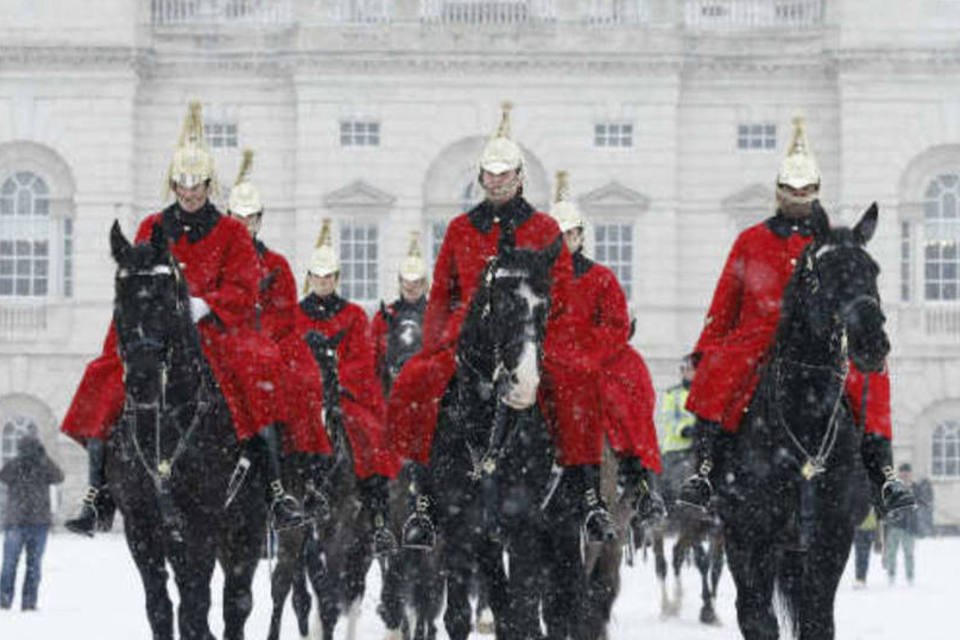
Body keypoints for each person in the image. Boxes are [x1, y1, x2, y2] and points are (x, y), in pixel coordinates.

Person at [61, 102, 304, 535]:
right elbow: (136, 275)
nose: (189, 193)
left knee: (256, 372)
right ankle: (97, 491)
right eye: (182, 184)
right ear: (172, 184)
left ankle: (274, 489)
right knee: (104, 374)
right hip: (156, 329)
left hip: (213, 329)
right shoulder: (153, 224)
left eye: (197, 185)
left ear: (210, 185)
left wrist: (205, 304)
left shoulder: (231, 232)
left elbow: (245, 289)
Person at [387, 102, 608, 545]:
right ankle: (423, 500)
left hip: (534, 335)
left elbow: (560, 290)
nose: (496, 181)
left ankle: (589, 497)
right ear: (480, 178)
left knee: (578, 381)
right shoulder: (460, 228)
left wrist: (544, 339)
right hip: (469, 339)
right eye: (489, 174)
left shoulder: (545, 228)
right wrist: (436, 342)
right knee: (418, 380)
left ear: (520, 176)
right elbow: (444, 294)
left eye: (504, 174)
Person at [678, 116, 916, 519]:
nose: (799, 197)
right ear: (778, 192)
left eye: (807, 191)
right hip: (757, 336)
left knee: (869, 378)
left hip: (820, 339)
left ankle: (884, 474)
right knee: (722, 374)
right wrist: (707, 349)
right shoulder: (751, 239)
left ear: (818, 192)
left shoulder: (830, 243)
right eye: (791, 190)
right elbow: (725, 302)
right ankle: (704, 470)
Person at [549, 170, 664, 527]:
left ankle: (640, 478)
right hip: (548, 358)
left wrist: (585, 355)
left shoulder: (601, 278)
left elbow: (615, 324)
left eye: (570, 234)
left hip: (595, 359)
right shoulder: (537, 279)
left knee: (629, 387)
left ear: (580, 236)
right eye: (557, 235)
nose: (564, 240)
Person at [226, 148, 333, 523]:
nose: (243, 225)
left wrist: (256, 335)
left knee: (302, 380)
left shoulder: (276, 264)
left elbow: (284, 313)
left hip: (267, 344)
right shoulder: (216, 260)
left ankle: (289, 484)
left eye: (250, 218)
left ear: (259, 220)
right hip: (224, 343)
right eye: (237, 218)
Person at [293, 219, 402, 557]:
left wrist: (335, 375)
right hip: (306, 397)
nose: (323, 283)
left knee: (369, 434)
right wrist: (309, 379)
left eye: (328, 278)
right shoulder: (296, 315)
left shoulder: (354, 315)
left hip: (343, 395)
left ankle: (378, 512)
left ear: (337, 279)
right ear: (309, 278)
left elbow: (363, 358)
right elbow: (290, 356)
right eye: (317, 277)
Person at [370, 233, 433, 548]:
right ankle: (380, 524)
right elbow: (372, 365)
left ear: (425, 282)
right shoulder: (385, 318)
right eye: (406, 282)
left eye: (417, 281)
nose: (411, 287)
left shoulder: (436, 317)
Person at [0, 435, 64, 611]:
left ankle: (4, 601)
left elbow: (3, 476)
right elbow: (59, 476)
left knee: (10, 564)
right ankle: (28, 603)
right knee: (32, 567)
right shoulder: (41, 465)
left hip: (17, 521)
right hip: (37, 522)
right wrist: (44, 457)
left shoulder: (14, 465)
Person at [655, 356, 697, 508]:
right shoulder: (673, 394)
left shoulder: (704, 393)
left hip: (694, 448)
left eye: (689, 368)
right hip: (675, 449)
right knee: (671, 486)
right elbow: (668, 419)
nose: (685, 372)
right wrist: (683, 430)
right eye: (683, 369)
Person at [883, 463, 918, 585]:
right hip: (895, 525)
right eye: (902, 473)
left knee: (909, 553)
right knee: (891, 552)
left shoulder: (915, 488)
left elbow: (918, 505)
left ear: (910, 474)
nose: (905, 475)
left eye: (907, 473)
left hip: (909, 527)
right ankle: (891, 575)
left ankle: (910, 576)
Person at [852, 507, 879, 588]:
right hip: (860, 529)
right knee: (859, 555)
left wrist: (878, 536)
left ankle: (862, 578)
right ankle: (859, 578)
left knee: (865, 555)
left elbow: (878, 518)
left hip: (870, 529)